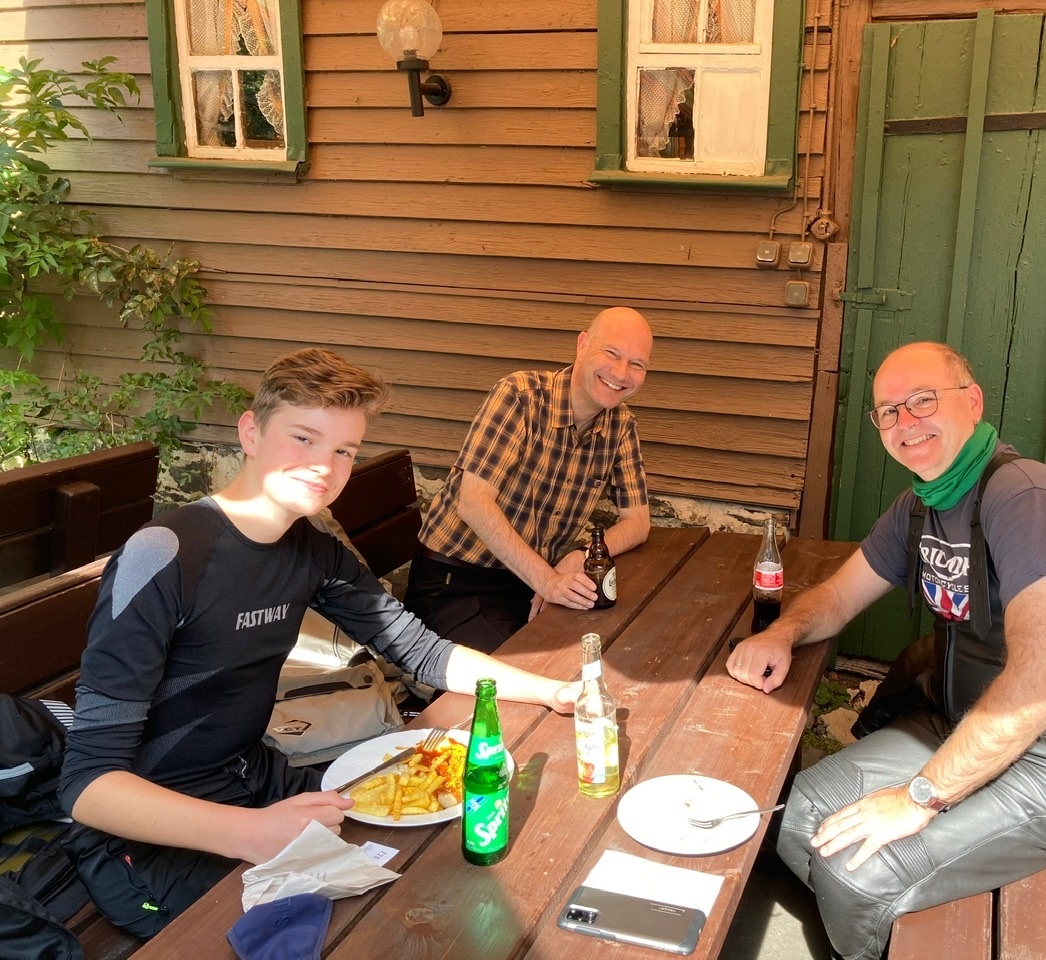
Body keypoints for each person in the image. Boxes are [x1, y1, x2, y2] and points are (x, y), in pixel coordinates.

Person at [59, 348, 579, 936]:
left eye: (343, 451)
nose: (324, 467)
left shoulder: (312, 549)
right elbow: (87, 784)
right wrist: (250, 832)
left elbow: (421, 651)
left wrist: (553, 691)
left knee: (439, 869)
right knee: (343, 932)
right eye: (303, 439)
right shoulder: (164, 554)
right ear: (251, 432)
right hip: (150, 834)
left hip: (256, 779)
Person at [727, 342, 1046, 960]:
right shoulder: (920, 506)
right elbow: (839, 596)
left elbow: (1043, 686)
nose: (906, 422)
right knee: (798, 816)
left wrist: (918, 797)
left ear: (972, 402)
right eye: (888, 411)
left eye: (923, 400)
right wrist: (781, 632)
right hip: (962, 721)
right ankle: (898, 927)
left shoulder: (1023, 498)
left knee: (854, 876)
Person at [403, 306, 653, 653]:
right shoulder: (520, 396)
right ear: (582, 345)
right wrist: (547, 580)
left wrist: (579, 555)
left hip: (525, 583)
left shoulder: (620, 424)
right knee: (532, 670)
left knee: (615, 646)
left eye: (637, 364)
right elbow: (473, 503)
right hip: (456, 583)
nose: (621, 372)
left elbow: (638, 522)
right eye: (611, 353)